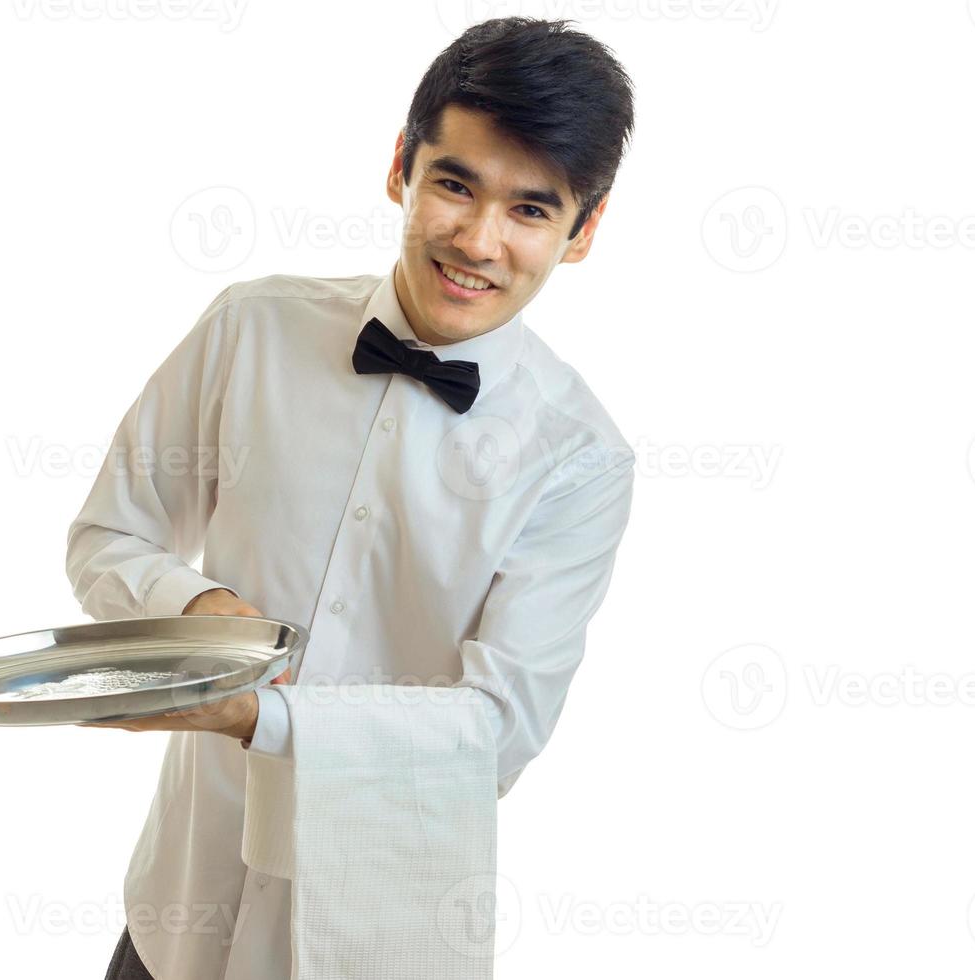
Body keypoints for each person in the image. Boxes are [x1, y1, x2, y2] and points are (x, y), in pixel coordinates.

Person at [66, 16, 638, 980]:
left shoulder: (579, 459)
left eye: (531, 211)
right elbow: (108, 535)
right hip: (174, 919)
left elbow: (494, 734)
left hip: (371, 943)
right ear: (400, 169)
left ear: (582, 233)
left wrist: (259, 717)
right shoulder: (251, 326)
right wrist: (198, 612)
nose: (480, 240)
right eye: (455, 184)